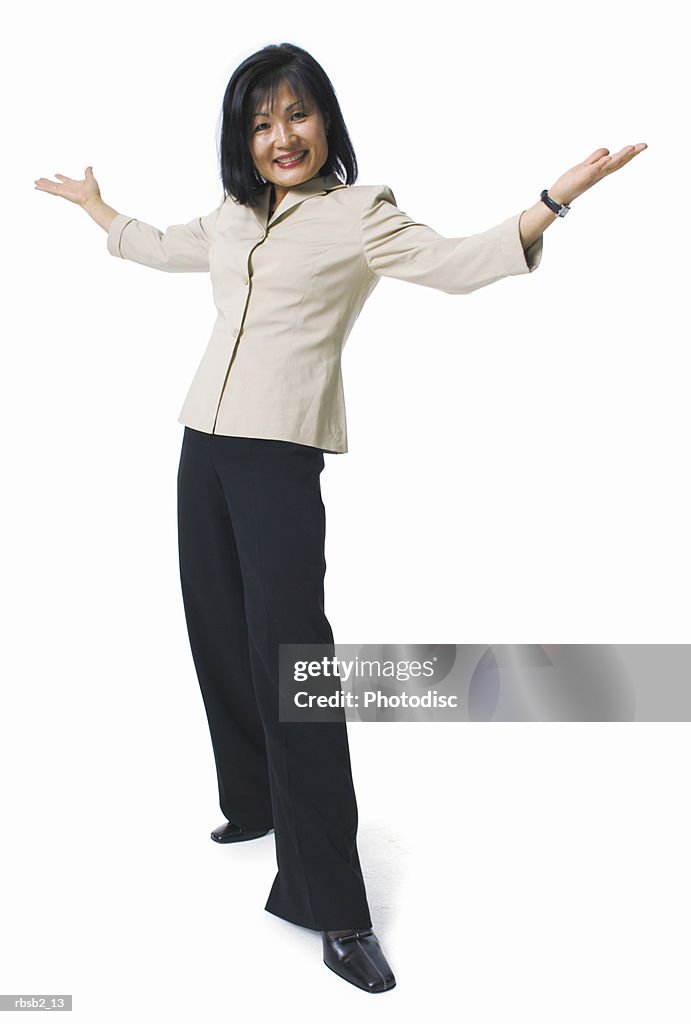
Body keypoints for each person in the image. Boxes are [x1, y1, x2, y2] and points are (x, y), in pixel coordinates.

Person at [34, 40, 647, 994]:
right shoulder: (235, 215)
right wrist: (96, 209)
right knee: (216, 633)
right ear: (244, 137)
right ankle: (251, 800)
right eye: (262, 121)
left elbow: (457, 263)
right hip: (200, 446)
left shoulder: (361, 215)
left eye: (298, 115)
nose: (282, 136)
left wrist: (548, 204)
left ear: (326, 120)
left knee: (295, 665)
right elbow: (157, 246)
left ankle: (335, 907)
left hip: (278, 458)